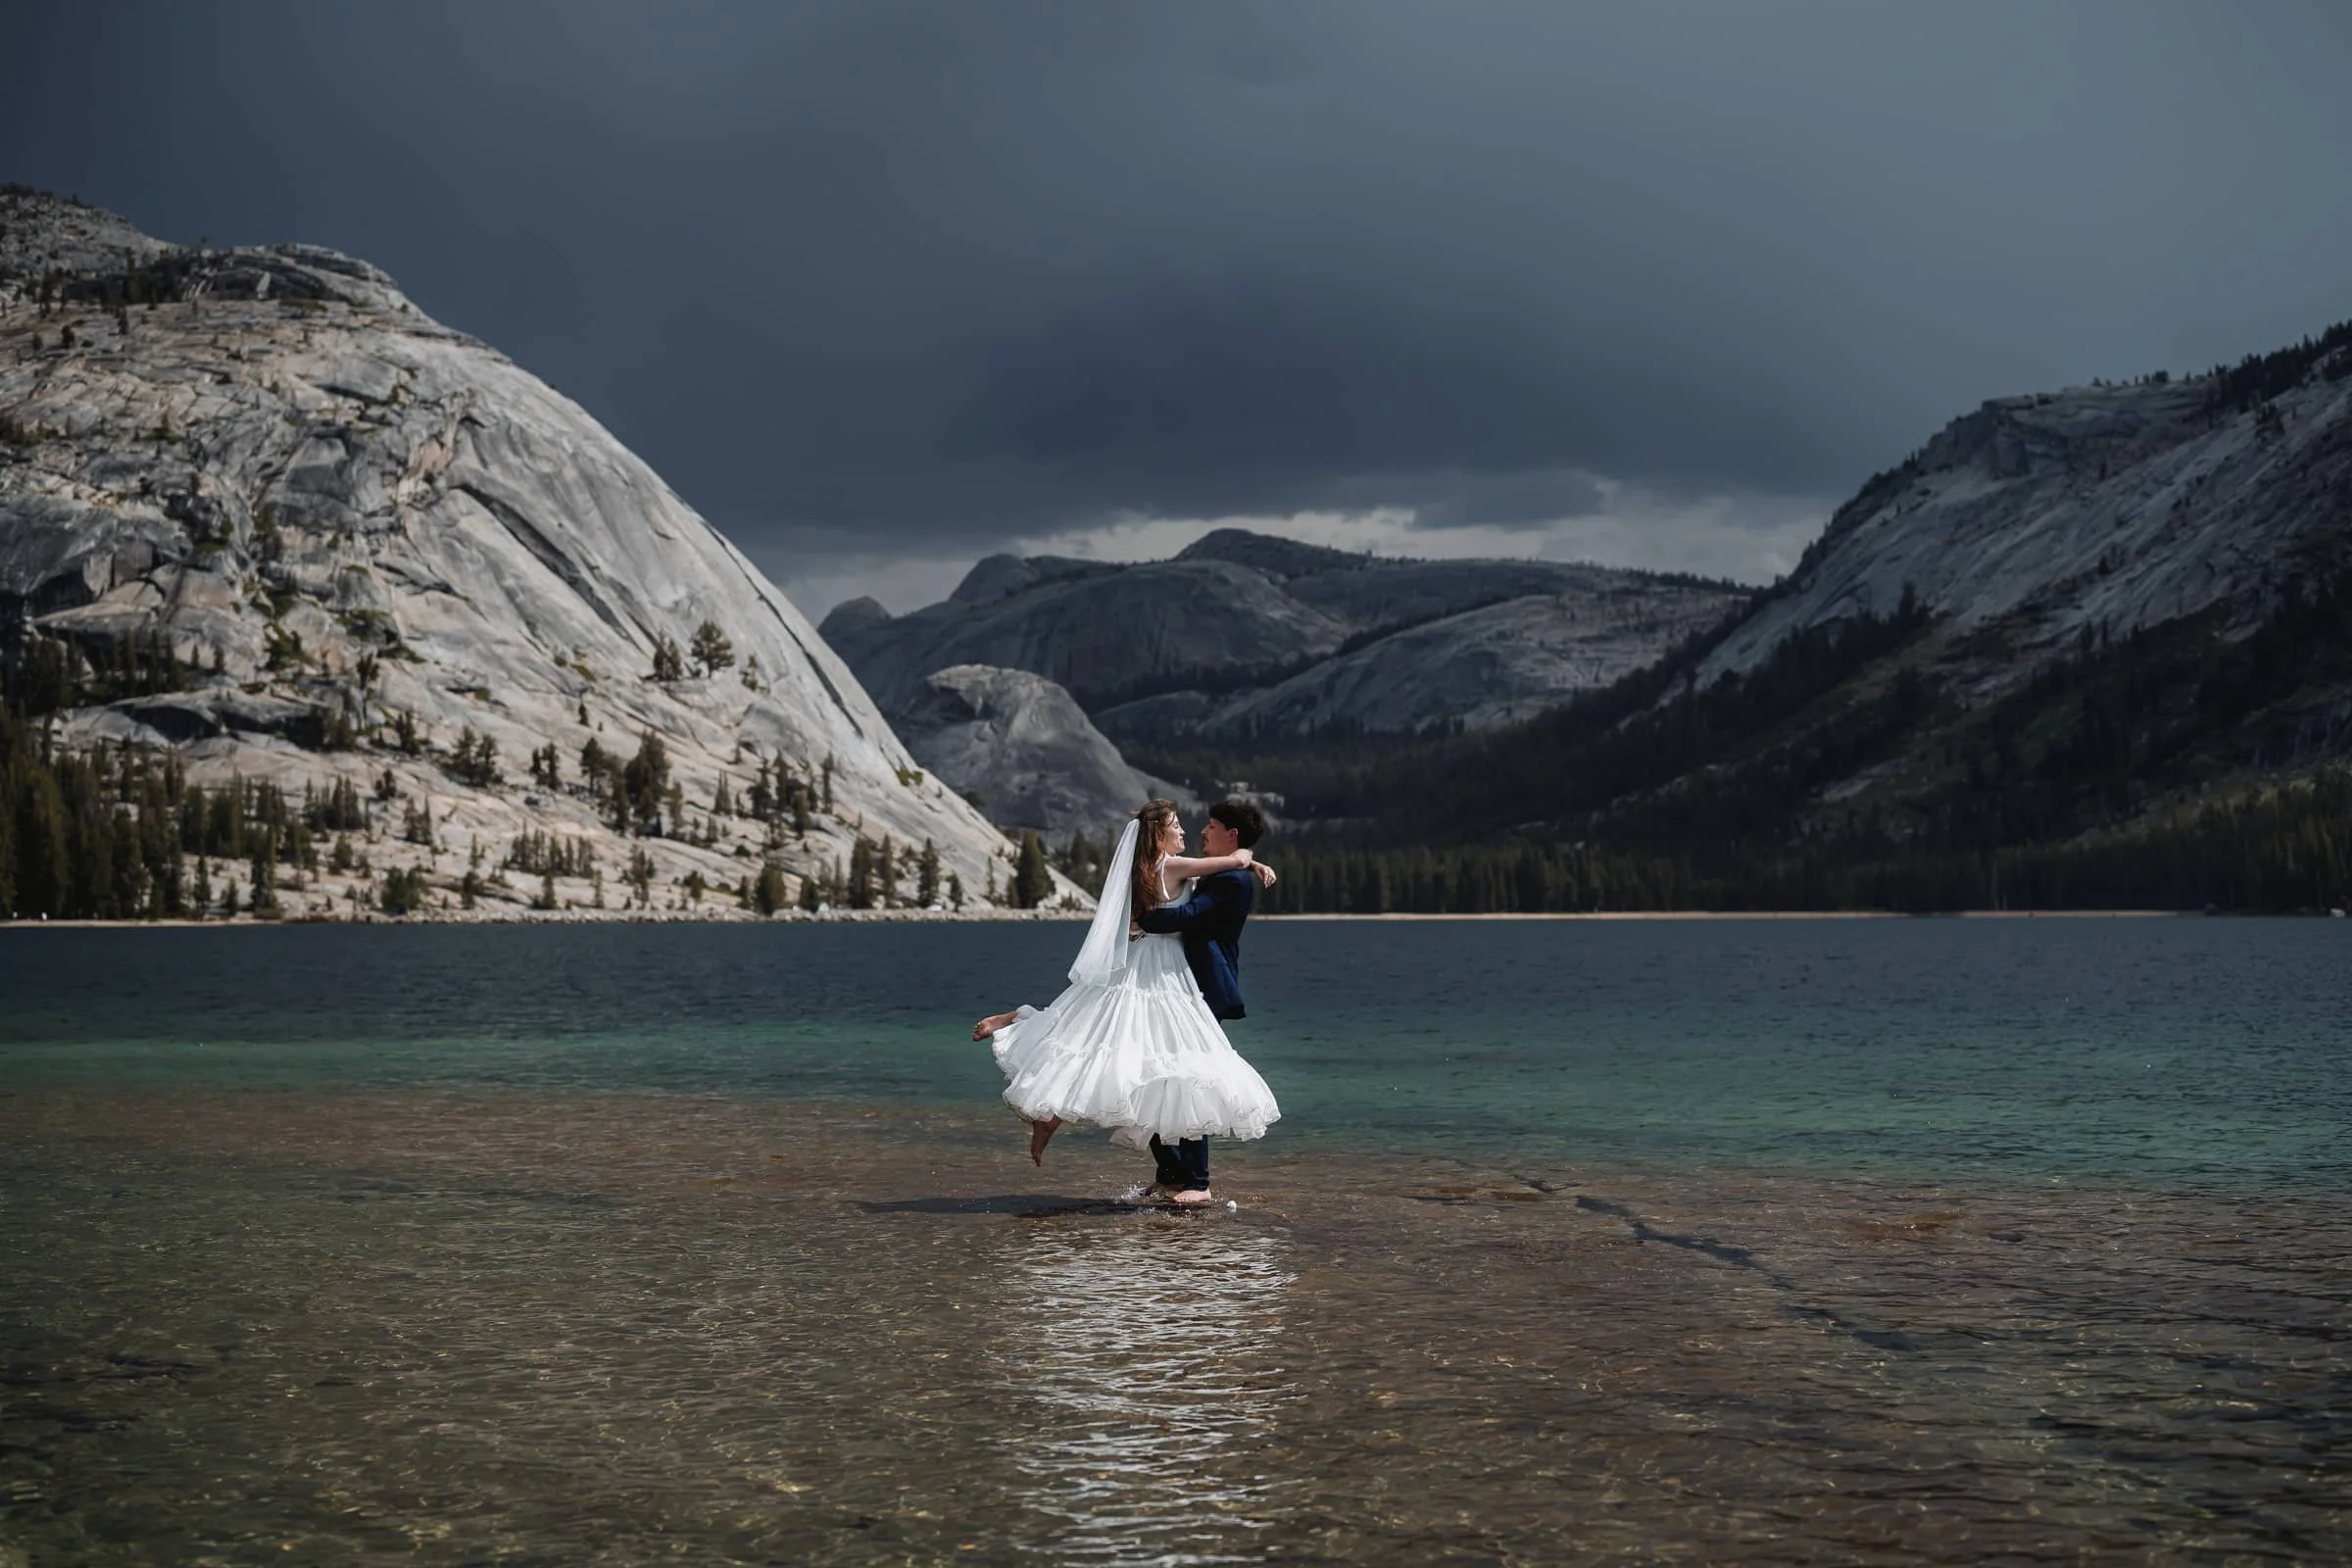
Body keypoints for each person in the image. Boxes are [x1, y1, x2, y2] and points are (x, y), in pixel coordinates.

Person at [971, 799, 1282, 1206]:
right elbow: (1190, 905)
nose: (1194, 830)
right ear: (1159, 833)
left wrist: (1248, 863)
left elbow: (1192, 909)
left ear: (1231, 833)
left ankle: (1177, 1176)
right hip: (1163, 976)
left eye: (1209, 825)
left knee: (1159, 1069)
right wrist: (1246, 860)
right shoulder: (1180, 866)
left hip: (1183, 978)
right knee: (1169, 1073)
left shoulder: (1187, 871)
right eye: (1179, 825)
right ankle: (1184, 1179)